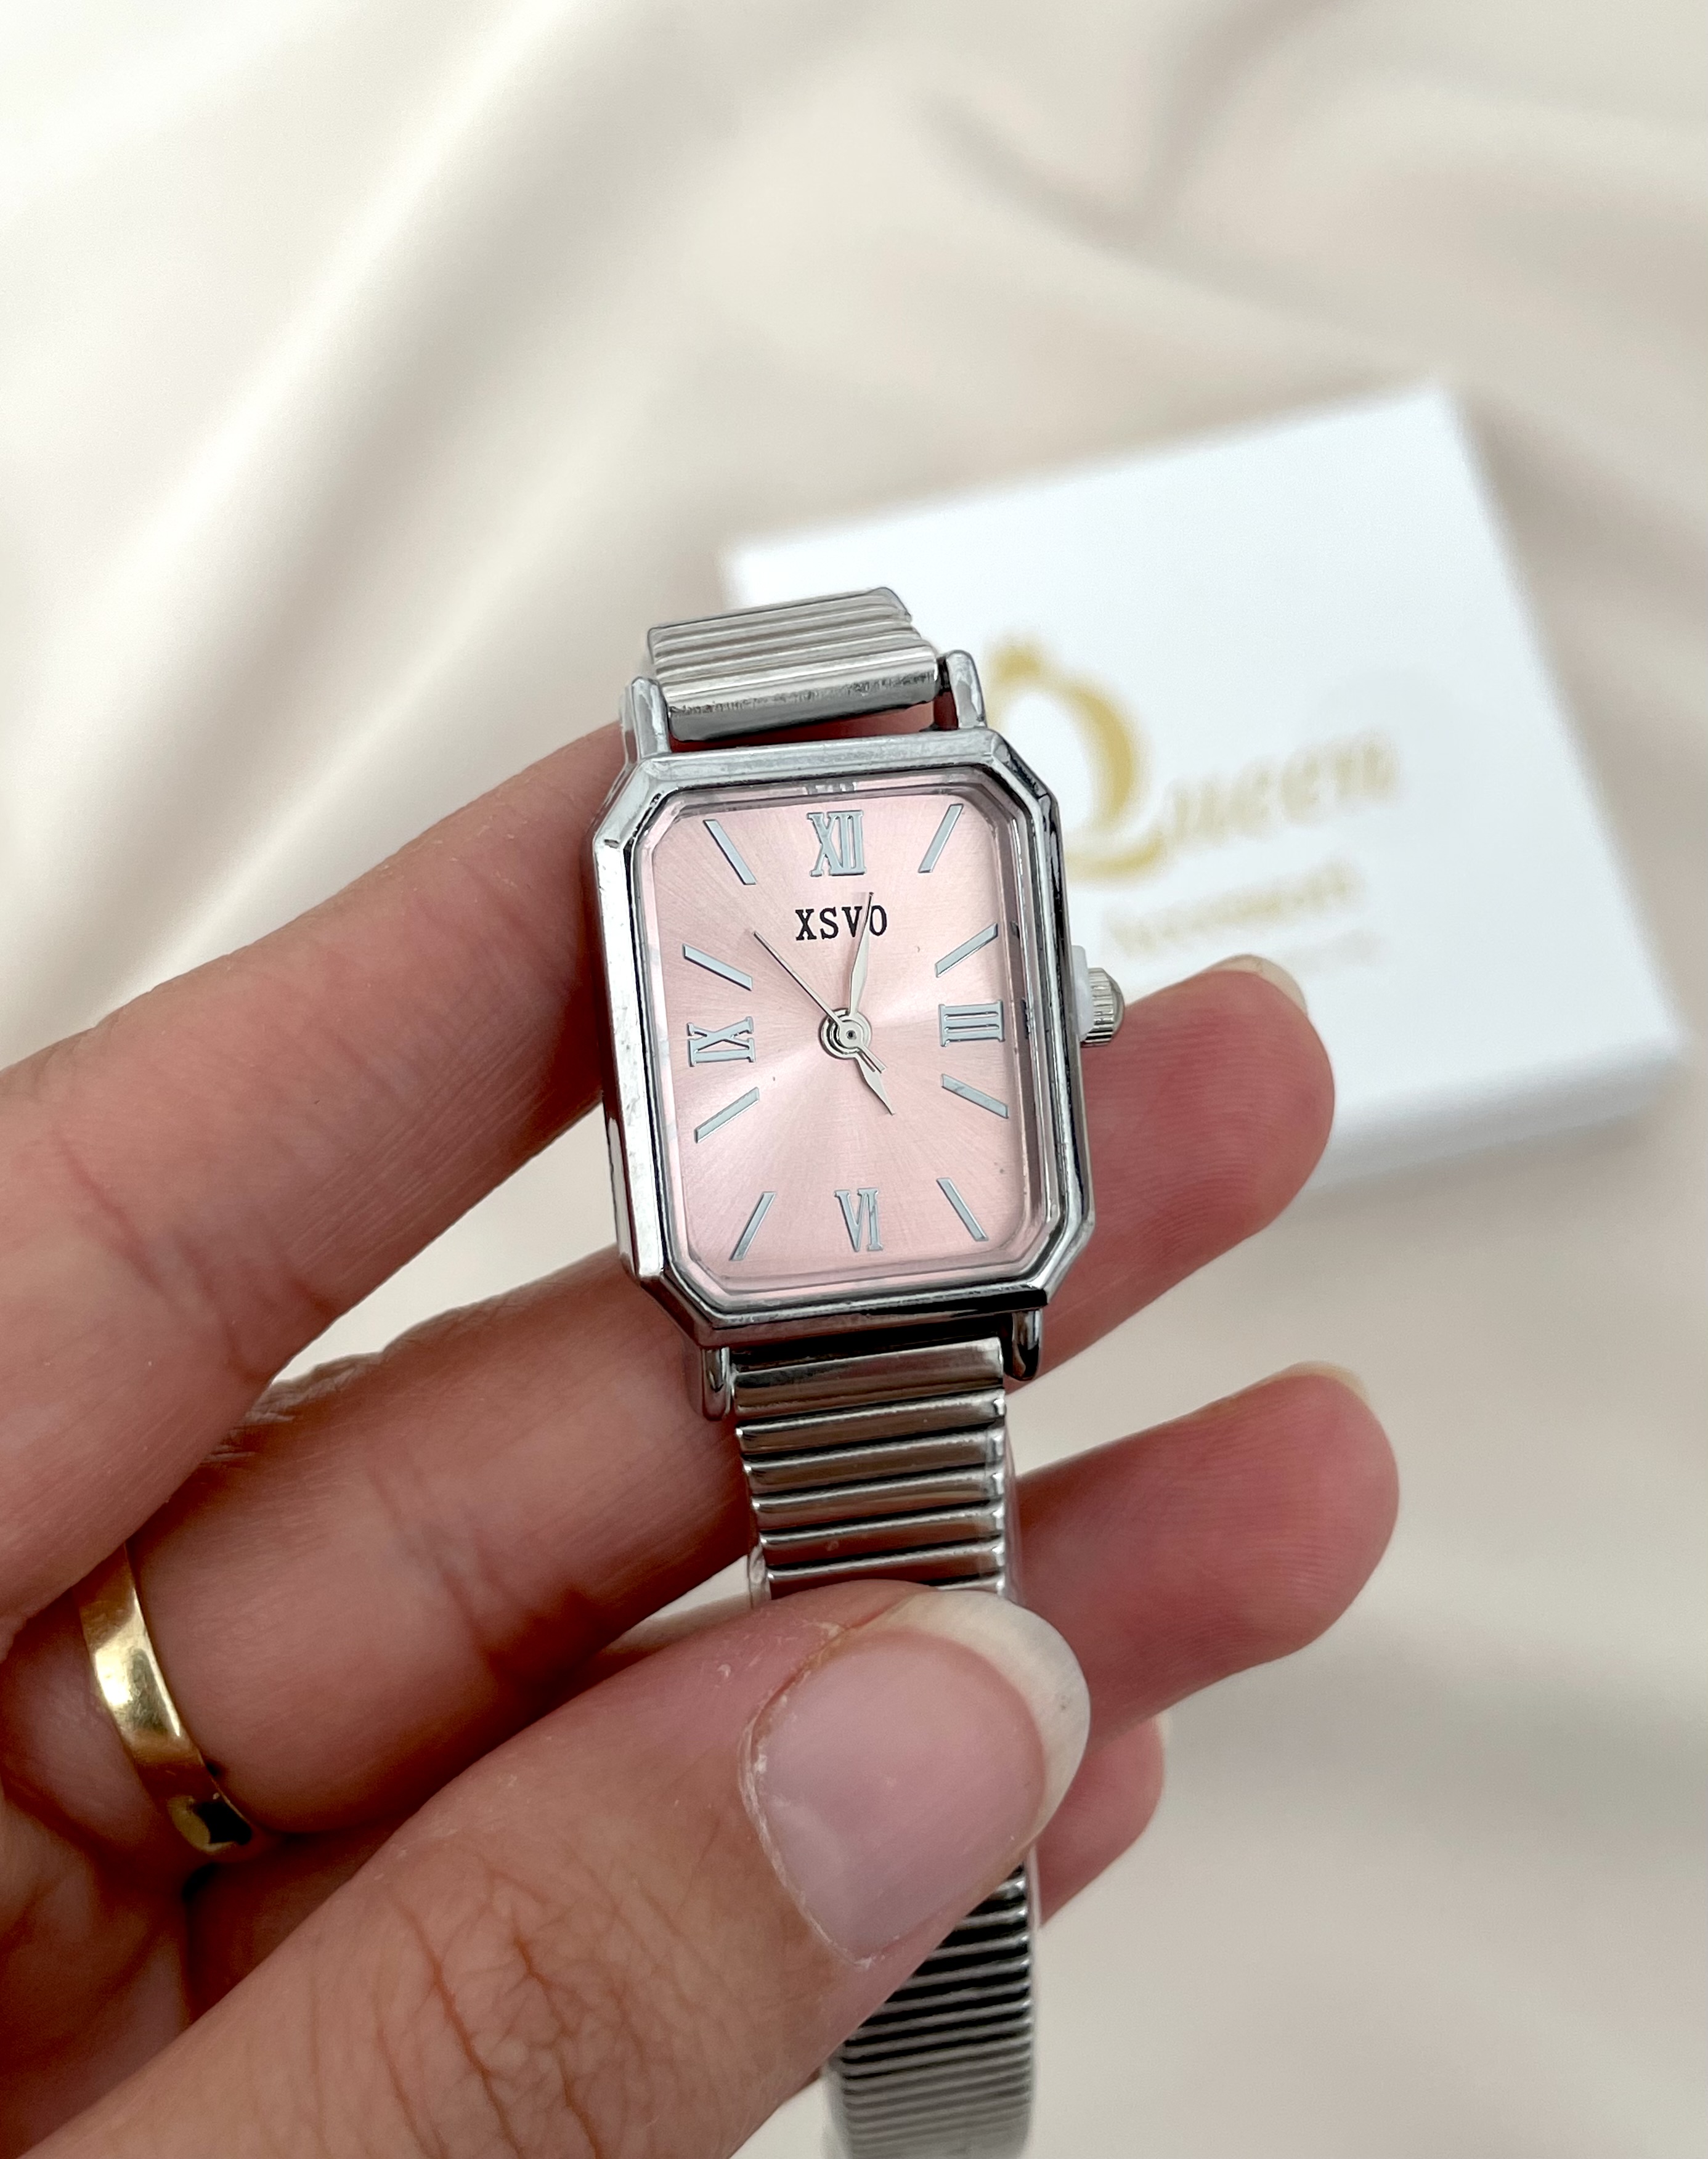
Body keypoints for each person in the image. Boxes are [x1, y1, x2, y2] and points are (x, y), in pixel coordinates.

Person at [0, 726, 1396, 2158]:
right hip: (791, 1319)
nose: (846, 1033)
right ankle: (939, 2127)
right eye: (826, 1025)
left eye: (862, 1016)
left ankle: (943, 2122)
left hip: (937, 1292)